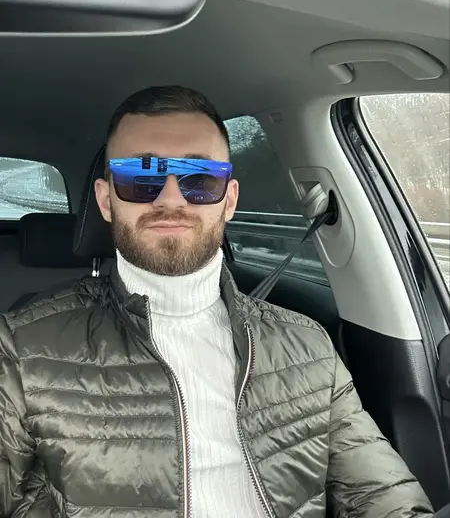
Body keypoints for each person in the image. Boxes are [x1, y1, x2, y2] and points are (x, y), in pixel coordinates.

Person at [0, 85, 434, 518]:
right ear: (105, 200)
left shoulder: (308, 348)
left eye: (200, 179)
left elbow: (382, 498)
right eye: (141, 177)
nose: (171, 198)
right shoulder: (21, 348)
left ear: (229, 201)